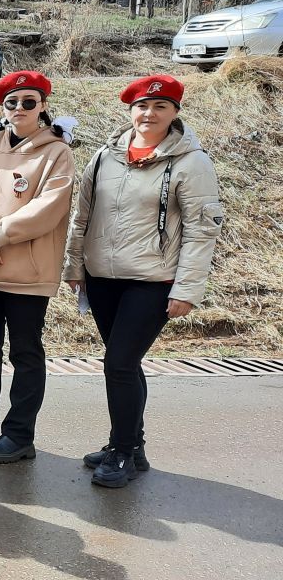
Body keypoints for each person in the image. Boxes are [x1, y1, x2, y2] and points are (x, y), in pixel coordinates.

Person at [64, 74, 223, 488]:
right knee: (125, 364)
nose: (149, 114)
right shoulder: (105, 156)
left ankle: (121, 452)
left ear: (175, 113)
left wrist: (187, 289)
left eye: (160, 107)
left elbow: (201, 230)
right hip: (102, 279)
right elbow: (82, 217)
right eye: (142, 107)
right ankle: (133, 446)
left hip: (153, 281)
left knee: (117, 363)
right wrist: (75, 267)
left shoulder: (191, 162)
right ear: (130, 111)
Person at [0, 71, 75, 464]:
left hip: (27, 274)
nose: (19, 109)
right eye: (12, 103)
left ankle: (19, 433)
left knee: (25, 353)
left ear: (42, 106)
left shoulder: (56, 152)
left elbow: (48, 208)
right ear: (2, 108)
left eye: (28, 102)